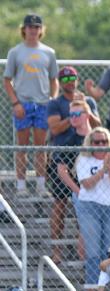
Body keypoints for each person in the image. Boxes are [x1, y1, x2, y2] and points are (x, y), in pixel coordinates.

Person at [3, 13, 58, 195]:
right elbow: (7, 80)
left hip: (42, 103)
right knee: (22, 146)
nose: (33, 30)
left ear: (41, 30)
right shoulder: (15, 52)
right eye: (30, 27)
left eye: (36, 27)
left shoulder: (48, 52)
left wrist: (53, 99)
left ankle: (41, 185)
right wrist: (15, 102)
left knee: (41, 147)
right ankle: (21, 185)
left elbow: (53, 79)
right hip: (23, 103)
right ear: (24, 29)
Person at [75, 127, 110, 291]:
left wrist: (109, 166)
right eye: (97, 142)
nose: (101, 145)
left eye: (104, 142)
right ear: (91, 144)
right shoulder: (84, 160)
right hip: (89, 207)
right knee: (93, 252)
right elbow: (86, 184)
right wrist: (102, 169)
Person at [47, 97, 96, 263]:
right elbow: (61, 169)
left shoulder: (99, 138)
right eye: (71, 115)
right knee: (67, 211)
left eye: (77, 114)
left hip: (100, 191)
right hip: (80, 190)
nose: (73, 118)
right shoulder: (70, 141)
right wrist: (78, 191)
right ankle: (62, 254)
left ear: (87, 115)